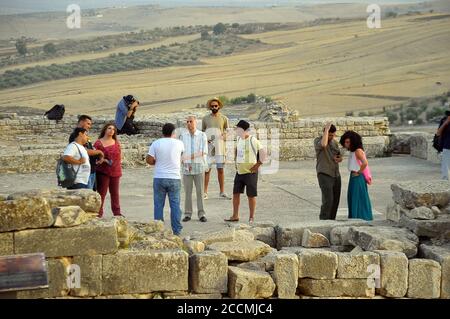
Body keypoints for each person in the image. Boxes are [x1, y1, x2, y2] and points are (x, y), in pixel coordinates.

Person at [146, 123, 185, 236]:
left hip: (159, 176)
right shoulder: (180, 143)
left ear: (162, 132)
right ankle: (177, 230)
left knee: (158, 204)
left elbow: (149, 160)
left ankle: (159, 229)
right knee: (175, 205)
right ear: (173, 132)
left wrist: (155, 161)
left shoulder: (156, 143)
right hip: (174, 177)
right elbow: (181, 156)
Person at [225, 120, 266, 223]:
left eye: (237, 128)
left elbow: (263, 153)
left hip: (250, 173)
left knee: (251, 195)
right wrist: (236, 162)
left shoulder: (253, 140)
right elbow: (237, 151)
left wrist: (257, 165)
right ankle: (235, 216)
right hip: (239, 172)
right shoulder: (239, 139)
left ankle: (251, 217)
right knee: (236, 194)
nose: (236, 130)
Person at [179, 116, 208, 222]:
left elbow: (202, 151)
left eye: (191, 121)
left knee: (200, 192)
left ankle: (201, 214)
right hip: (187, 167)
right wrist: (183, 160)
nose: (189, 123)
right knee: (187, 192)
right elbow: (181, 151)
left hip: (198, 166)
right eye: (187, 122)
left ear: (196, 122)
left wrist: (187, 157)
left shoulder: (202, 135)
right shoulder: (183, 136)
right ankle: (187, 214)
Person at [339, 131, 373, 221]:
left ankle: (362, 217)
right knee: (354, 196)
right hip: (354, 176)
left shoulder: (358, 151)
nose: (346, 144)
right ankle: (356, 216)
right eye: (345, 142)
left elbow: (365, 163)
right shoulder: (353, 151)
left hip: (357, 176)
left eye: (348, 142)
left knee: (358, 197)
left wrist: (359, 172)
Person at [202, 97, 230, 200]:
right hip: (208, 148)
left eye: (216, 106)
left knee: (220, 170)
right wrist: (206, 139)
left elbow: (227, 130)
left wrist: (224, 136)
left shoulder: (224, 118)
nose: (214, 107)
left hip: (220, 148)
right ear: (210, 107)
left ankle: (222, 192)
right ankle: (204, 192)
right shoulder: (205, 119)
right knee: (207, 170)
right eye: (212, 106)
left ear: (219, 107)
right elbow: (202, 132)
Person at [94, 123, 124, 218]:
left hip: (116, 171)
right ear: (105, 129)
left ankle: (117, 213)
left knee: (115, 193)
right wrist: (104, 160)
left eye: (113, 129)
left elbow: (120, 156)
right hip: (103, 172)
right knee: (101, 193)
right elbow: (95, 157)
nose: (111, 130)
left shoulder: (116, 142)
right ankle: (98, 213)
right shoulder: (98, 143)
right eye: (109, 128)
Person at [314, 123, 342, 220]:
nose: (332, 137)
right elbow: (323, 144)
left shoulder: (334, 143)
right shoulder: (318, 140)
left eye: (333, 135)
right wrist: (326, 130)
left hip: (335, 174)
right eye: (330, 135)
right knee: (328, 200)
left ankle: (331, 220)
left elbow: (339, 155)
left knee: (335, 200)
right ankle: (324, 221)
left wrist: (339, 158)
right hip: (324, 173)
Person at [69, 115, 104, 190]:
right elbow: (84, 151)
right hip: (83, 173)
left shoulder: (84, 135)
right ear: (81, 122)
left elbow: (90, 148)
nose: (89, 126)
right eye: (88, 124)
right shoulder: (75, 136)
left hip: (91, 170)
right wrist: (99, 152)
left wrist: (97, 155)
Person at [436, 110, 450, 180]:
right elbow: (438, 133)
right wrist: (446, 123)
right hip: (447, 148)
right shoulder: (445, 120)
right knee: (445, 174)